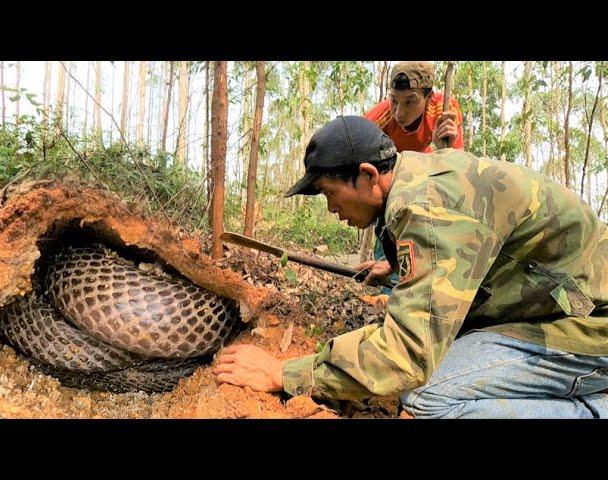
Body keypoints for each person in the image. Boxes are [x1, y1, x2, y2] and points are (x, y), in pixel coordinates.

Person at [214, 115, 608, 418]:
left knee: (424, 394)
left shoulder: (428, 211)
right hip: (564, 304)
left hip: (593, 328)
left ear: (368, 176)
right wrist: (398, 268)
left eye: (331, 194)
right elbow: (462, 255)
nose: (332, 210)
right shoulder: (420, 177)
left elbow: (408, 354)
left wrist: (285, 374)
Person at [364, 61, 464, 292]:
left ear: (428, 97)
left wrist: (444, 149)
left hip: (426, 173)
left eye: (410, 102)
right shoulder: (381, 116)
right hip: (390, 177)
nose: (399, 112)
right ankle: (388, 291)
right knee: (388, 225)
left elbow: (457, 171)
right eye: (395, 101)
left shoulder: (444, 110)